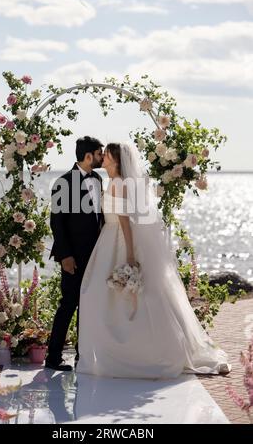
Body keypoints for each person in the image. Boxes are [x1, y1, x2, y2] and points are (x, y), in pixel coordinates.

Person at [77, 142, 231, 378]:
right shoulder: (112, 182)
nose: (103, 159)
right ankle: (114, 348)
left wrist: (129, 254)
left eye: (106, 156)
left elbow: (125, 221)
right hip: (107, 239)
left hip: (118, 240)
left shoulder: (119, 184)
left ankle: (137, 350)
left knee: (111, 294)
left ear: (116, 161)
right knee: (103, 295)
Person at [46, 136, 104, 371]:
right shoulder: (63, 182)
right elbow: (56, 223)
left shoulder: (98, 179)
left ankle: (83, 357)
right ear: (88, 156)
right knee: (68, 304)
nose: (102, 157)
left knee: (89, 306)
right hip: (73, 257)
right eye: (99, 154)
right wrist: (65, 256)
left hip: (96, 255)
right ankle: (53, 358)